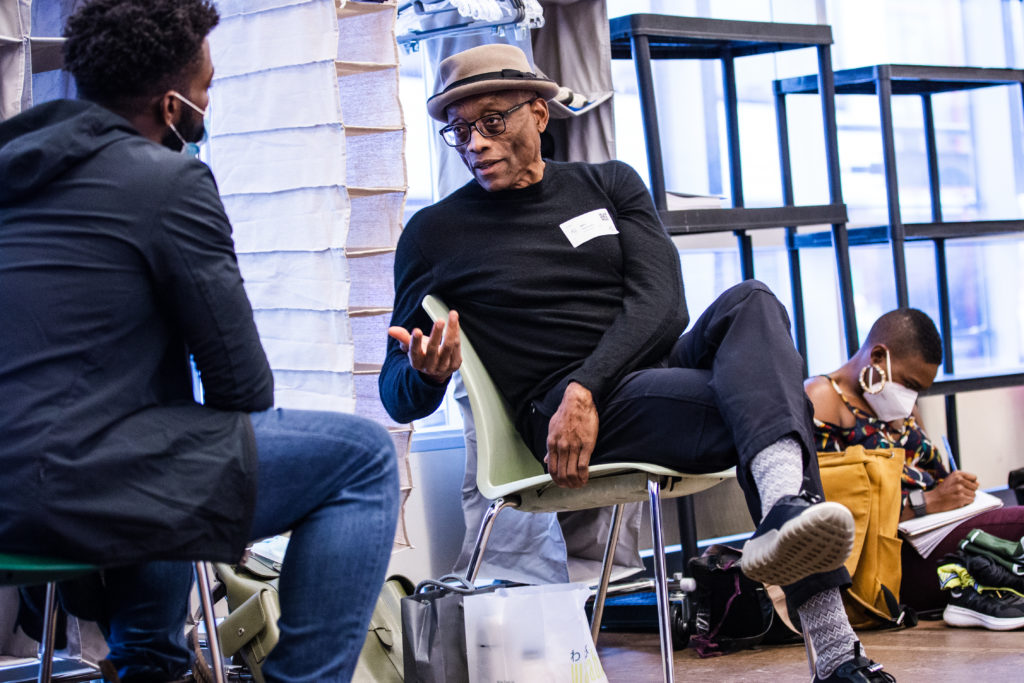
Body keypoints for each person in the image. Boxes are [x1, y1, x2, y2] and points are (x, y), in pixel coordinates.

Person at [380, 43, 895, 683]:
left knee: (752, 300)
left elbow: (664, 304)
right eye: (457, 129)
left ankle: (785, 507)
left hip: (622, 382)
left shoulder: (609, 183)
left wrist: (587, 386)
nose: (474, 143)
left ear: (539, 112)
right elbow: (394, 392)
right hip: (557, 416)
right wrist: (427, 374)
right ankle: (836, 650)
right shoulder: (433, 233)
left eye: (491, 121)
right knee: (771, 411)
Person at [0, 1, 399, 681]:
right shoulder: (168, 180)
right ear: (172, 104)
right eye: (208, 88)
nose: (208, 102)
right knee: (361, 459)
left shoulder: (15, 168)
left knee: (163, 434)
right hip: (74, 487)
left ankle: (150, 660)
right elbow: (243, 388)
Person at [805, 308, 1024, 617]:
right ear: (878, 356)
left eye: (919, 390)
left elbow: (931, 471)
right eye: (909, 383)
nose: (910, 397)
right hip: (889, 557)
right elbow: (827, 511)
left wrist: (955, 488)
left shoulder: (897, 406)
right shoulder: (822, 399)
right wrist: (926, 502)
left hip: (936, 532)